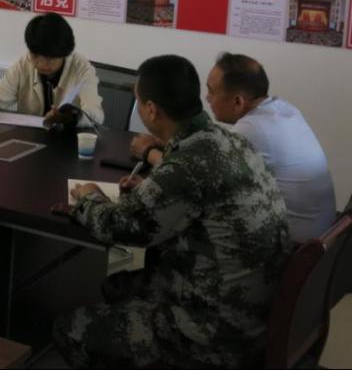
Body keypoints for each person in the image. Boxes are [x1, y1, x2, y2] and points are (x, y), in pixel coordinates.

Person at [54, 55, 289, 368]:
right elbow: (195, 199)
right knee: (117, 285)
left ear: (151, 109)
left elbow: (121, 228)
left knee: (70, 329)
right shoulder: (227, 142)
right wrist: (152, 191)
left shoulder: (188, 162)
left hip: (219, 330)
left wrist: (88, 198)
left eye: (138, 101)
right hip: (257, 310)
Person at [202, 53, 336, 242]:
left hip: (298, 247)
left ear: (238, 101)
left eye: (211, 91)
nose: (207, 98)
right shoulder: (283, 108)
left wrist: (157, 151)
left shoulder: (252, 128)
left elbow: (204, 181)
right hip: (323, 234)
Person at [0, 13, 104, 125]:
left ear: (64, 54)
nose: (41, 64)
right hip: (30, 137)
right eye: (35, 55)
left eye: (50, 59)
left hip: (69, 140)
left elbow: (95, 114)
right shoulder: (24, 64)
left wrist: (72, 117)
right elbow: (0, 91)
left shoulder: (82, 70)